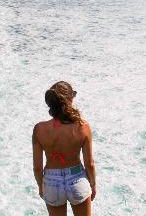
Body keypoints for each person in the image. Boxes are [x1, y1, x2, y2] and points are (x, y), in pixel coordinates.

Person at [32, 81, 96, 216]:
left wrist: (41, 186)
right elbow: (89, 164)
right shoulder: (83, 127)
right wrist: (93, 185)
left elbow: (37, 168)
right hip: (77, 178)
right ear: (71, 99)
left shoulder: (39, 129)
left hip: (51, 181)